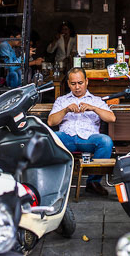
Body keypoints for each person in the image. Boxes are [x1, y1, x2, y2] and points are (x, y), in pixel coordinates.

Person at [47, 67, 116, 196]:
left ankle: (93, 182)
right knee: (51, 138)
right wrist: (65, 110)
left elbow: (111, 118)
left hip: (88, 139)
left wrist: (94, 108)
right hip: (66, 138)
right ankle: (56, 181)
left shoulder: (96, 100)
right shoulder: (62, 100)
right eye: (73, 84)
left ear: (86, 81)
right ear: (68, 84)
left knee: (106, 141)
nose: (77, 87)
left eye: (80, 83)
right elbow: (51, 122)